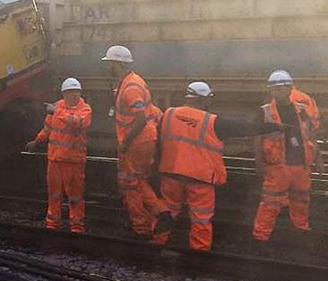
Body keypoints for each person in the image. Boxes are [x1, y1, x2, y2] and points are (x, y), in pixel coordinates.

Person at [153, 81, 286, 250]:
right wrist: (274, 126)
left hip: (171, 174)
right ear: (204, 100)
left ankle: (157, 244)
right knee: (201, 218)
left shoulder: (168, 114)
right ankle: (199, 251)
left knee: (167, 211)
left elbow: (157, 142)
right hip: (200, 179)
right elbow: (245, 128)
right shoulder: (212, 122)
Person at [101, 45, 167, 239]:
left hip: (137, 142)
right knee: (138, 181)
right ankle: (150, 220)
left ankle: (148, 223)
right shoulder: (131, 81)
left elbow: (139, 120)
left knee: (132, 184)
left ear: (118, 64)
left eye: (110, 64)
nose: (108, 68)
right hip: (142, 140)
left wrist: (126, 142)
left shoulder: (130, 87)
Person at [252, 70, 324, 242]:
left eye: (281, 88)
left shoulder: (301, 110)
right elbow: (257, 138)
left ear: (290, 88)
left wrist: (319, 158)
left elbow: (310, 134)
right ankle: (260, 237)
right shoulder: (265, 112)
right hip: (278, 166)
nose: (277, 92)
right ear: (270, 90)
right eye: (274, 89)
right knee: (270, 203)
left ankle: (301, 231)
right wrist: (259, 163)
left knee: (301, 200)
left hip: (301, 164)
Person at [27, 77, 92, 233]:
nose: (73, 95)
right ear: (64, 93)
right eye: (70, 92)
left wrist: (57, 112)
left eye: (75, 92)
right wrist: (37, 141)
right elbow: (48, 129)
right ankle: (52, 225)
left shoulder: (85, 109)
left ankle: (76, 227)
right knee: (54, 195)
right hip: (55, 160)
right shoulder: (56, 108)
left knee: (75, 197)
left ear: (80, 92)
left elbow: (78, 122)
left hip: (74, 160)